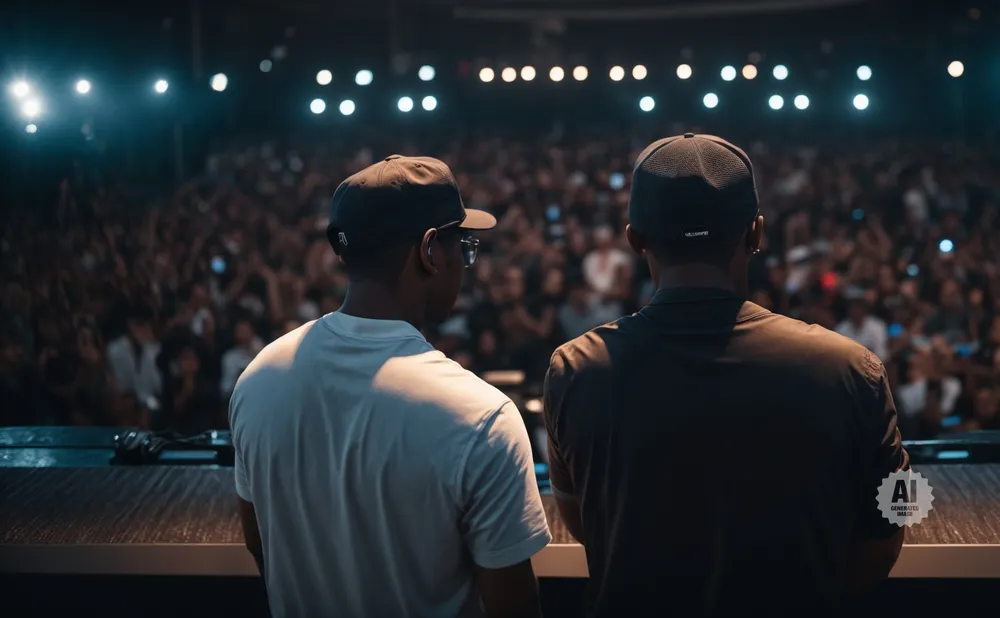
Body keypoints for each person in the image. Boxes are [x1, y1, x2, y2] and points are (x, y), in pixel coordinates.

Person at [543, 134, 909, 616]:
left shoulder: (574, 370)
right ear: (755, 233)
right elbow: (901, 512)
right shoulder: (850, 366)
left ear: (635, 240)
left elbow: (583, 520)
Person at [230, 155, 551, 618]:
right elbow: (514, 607)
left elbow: (260, 543)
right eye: (462, 246)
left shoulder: (258, 380)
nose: (464, 263)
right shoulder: (481, 417)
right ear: (429, 251)